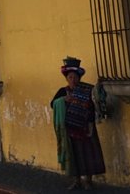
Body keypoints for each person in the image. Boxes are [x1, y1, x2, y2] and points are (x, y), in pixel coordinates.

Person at [51, 57, 105, 191]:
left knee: (88, 154)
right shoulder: (63, 92)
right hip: (70, 130)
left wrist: (91, 123)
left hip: (86, 127)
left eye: (75, 77)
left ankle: (88, 181)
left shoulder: (87, 90)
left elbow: (94, 106)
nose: (73, 80)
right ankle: (77, 181)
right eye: (70, 77)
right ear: (66, 78)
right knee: (74, 155)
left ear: (79, 78)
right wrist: (63, 100)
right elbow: (53, 104)